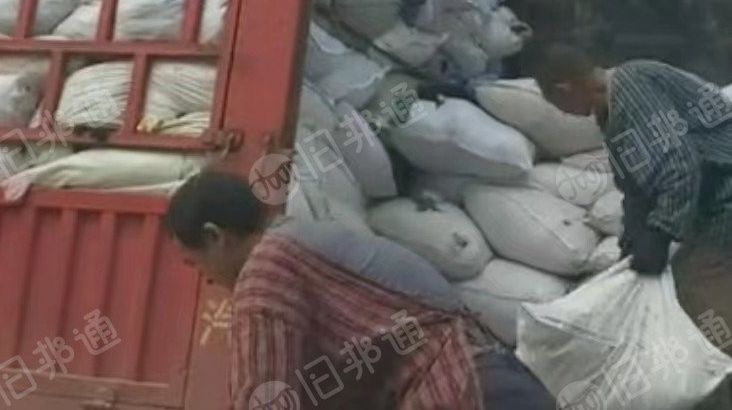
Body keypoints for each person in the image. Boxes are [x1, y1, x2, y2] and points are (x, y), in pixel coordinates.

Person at [168, 168, 554, 410]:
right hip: (503, 381)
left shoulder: (265, 271)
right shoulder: (305, 239)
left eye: (194, 262)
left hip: (460, 390)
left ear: (215, 237)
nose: (204, 277)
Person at [528, 43, 732, 400]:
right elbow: (638, 189)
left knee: (701, 301)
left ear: (564, 89)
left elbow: (678, 165)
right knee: (688, 296)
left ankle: (714, 388)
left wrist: (661, 231)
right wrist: (633, 239)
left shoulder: (633, 91)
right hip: (712, 204)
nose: (563, 113)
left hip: (725, 197)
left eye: (556, 104)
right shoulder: (616, 110)